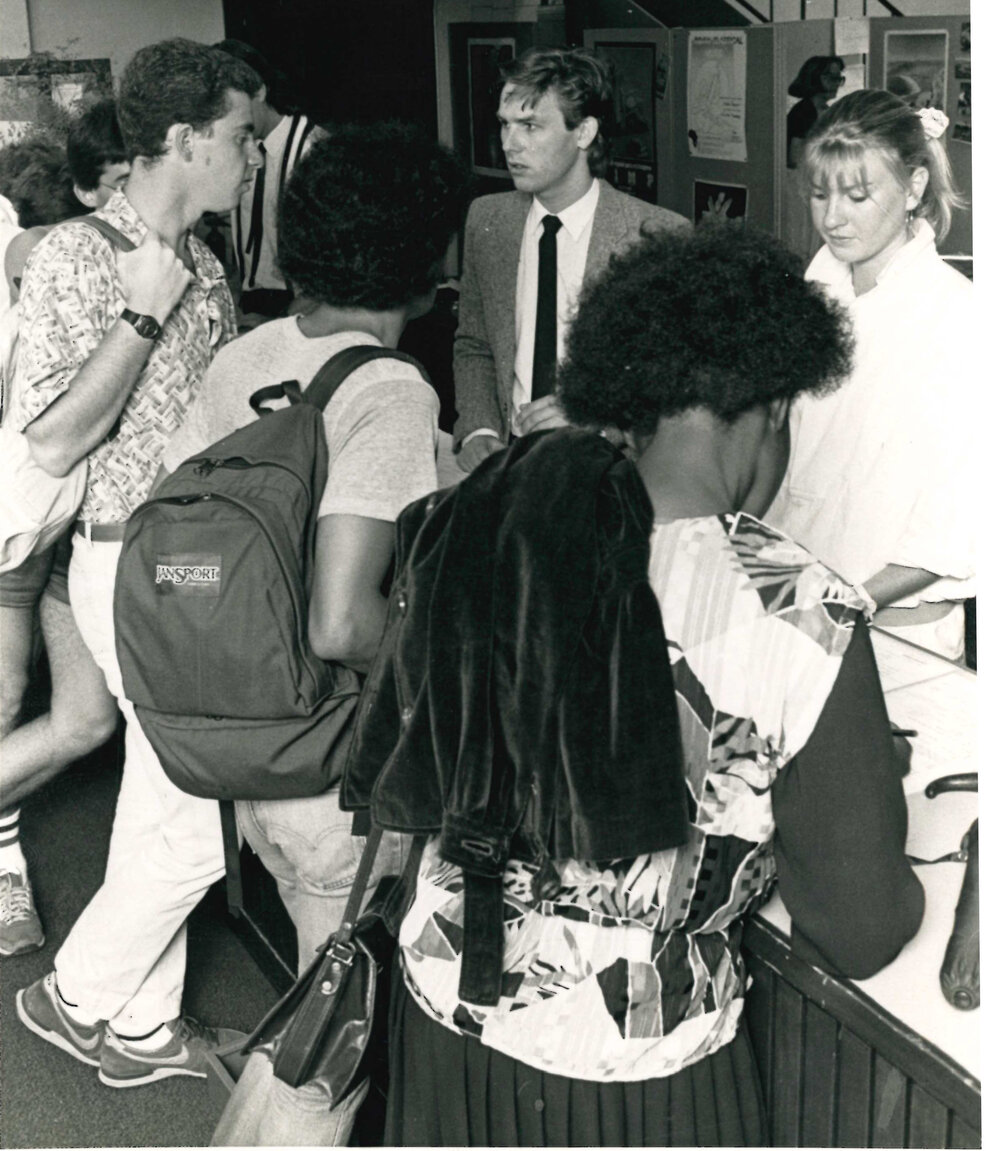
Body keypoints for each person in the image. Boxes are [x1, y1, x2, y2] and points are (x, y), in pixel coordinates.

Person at [345, 223, 925, 1148]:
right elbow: (860, 927)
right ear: (774, 405)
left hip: (445, 1017)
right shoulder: (804, 609)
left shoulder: (492, 509)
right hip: (635, 1076)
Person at [175, 124, 467, 1146]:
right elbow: (344, 615)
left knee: (315, 1010)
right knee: (332, 1038)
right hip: (337, 762)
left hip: (255, 740)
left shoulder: (248, 355)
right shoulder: (388, 385)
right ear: (423, 255)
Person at [12, 38, 262, 1085]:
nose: (254, 155)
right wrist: (140, 307)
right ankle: (73, 993)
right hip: (124, 563)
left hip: (198, 563)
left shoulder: (212, 261)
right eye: (242, 134)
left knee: (166, 799)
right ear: (185, 136)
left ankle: (142, 1030)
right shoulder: (76, 255)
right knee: (215, 813)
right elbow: (55, 439)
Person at [767, 89, 974, 661]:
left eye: (857, 196)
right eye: (818, 194)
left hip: (899, 630)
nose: (832, 218)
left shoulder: (959, 318)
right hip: (798, 609)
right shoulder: (817, 290)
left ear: (913, 188)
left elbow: (953, 525)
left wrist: (851, 600)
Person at [1, 116, 130, 957]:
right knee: (9, 693)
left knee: (87, 720)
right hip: (21, 521)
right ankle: (5, 860)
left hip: (67, 518)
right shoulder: (40, 251)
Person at [453, 46, 688, 471]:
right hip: (508, 462)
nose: (509, 144)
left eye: (530, 126)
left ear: (583, 133)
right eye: (505, 125)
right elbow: (475, 343)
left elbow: (674, 376)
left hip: (609, 467)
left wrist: (601, 420)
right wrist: (478, 429)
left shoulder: (657, 236)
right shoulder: (488, 220)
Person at [215, 38, 327, 320]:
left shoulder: (315, 151)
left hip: (305, 310)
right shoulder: (237, 150)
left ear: (260, 91)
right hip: (252, 306)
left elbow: (333, 265)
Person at [785, 54, 845, 169]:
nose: (837, 83)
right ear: (814, 78)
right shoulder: (803, 112)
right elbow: (795, 159)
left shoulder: (826, 110)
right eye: (832, 78)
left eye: (839, 78)